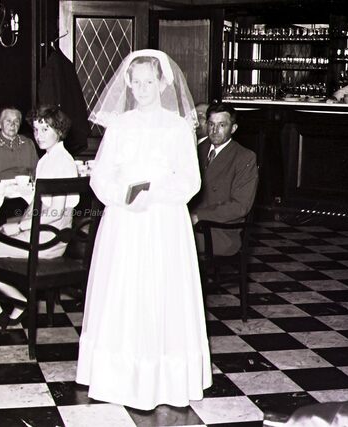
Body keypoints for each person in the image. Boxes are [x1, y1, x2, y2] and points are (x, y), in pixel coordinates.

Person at [75, 49, 211, 410]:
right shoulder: (119, 126)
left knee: (162, 291)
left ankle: (164, 380)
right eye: (136, 82)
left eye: (149, 81)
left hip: (164, 220)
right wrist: (122, 196)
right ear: (129, 85)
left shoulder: (178, 127)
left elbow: (191, 180)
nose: (143, 88)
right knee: (124, 291)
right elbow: (100, 176)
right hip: (124, 220)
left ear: (162, 83)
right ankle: (118, 377)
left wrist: (156, 195)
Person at [0, 105, 78, 333]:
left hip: (48, 240)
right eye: (36, 130)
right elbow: (39, 206)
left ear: (59, 130)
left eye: (45, 129)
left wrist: (19, 227)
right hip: (45, 233)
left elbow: (55, 213)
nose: (39, 135)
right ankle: (19, 302)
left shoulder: (61, 162)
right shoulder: (49, 159)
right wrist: (16, 225)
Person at [190, 102, 259, 256]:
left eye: (222, 125)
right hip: (192, 224)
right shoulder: (197, 150)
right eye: (211, 124)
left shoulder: (244, 157)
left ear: (233, 128)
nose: (215, 130)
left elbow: (240, 207)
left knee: (167, 243)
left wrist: (199, 216)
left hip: (219, 232)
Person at [0, 107, 39, 184]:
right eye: (8, 121)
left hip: (26, 188)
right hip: (0, 189)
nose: (12, 125)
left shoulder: (28, 143)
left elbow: (37, 172)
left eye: (16, 121)